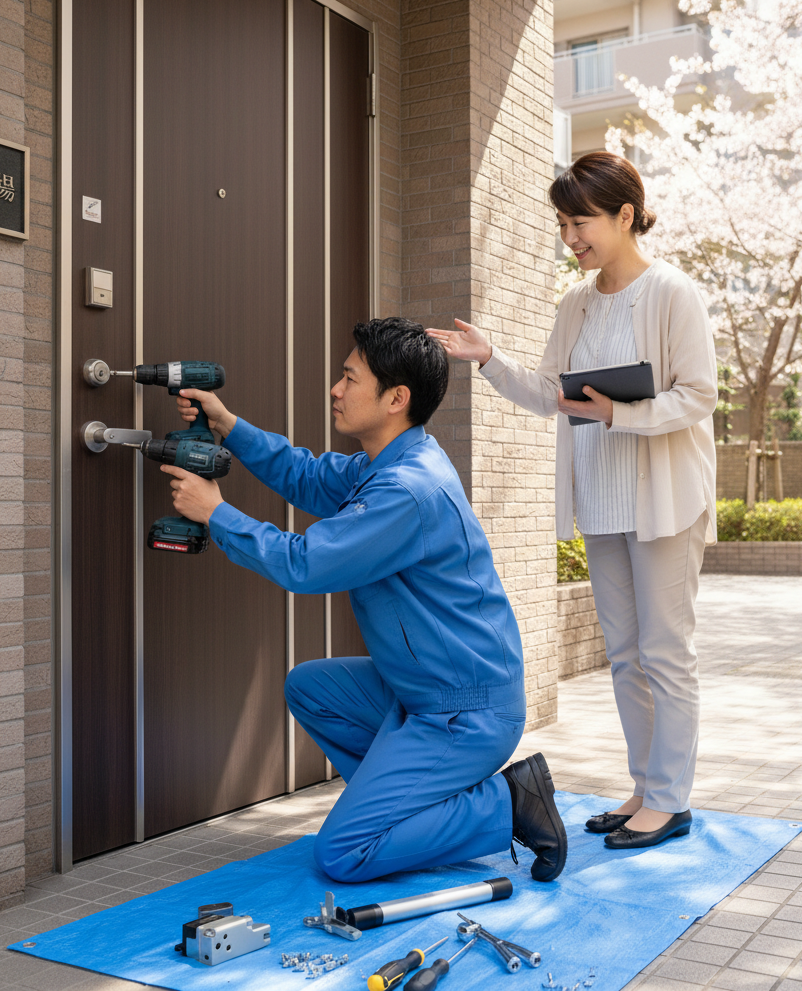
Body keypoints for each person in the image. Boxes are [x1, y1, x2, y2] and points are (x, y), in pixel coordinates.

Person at [158, 317, 567, 883]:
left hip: (464, 710)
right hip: (421, 690)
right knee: (311, 688)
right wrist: (229, 425)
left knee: (344, 854)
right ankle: (408, 806)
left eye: (350, 378)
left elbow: (306, 563)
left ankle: (507, 804)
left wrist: (216, 512)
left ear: (396, 398)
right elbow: (305, 474)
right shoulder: (389, 463)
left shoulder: (406, 489)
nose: (335, 389)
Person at [428, 152, 717, 851]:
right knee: (624, 653)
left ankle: (672, 799)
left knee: (665, 652)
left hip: (664, 500)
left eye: (580, 220)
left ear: (624, 215)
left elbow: (699, 396)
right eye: (562, 223)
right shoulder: (576, 303)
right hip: (604, 497)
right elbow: (550, 394)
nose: (571, 237)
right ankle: (647, 787)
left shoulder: (675, 294)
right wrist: (490, 358)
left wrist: (621, 416)